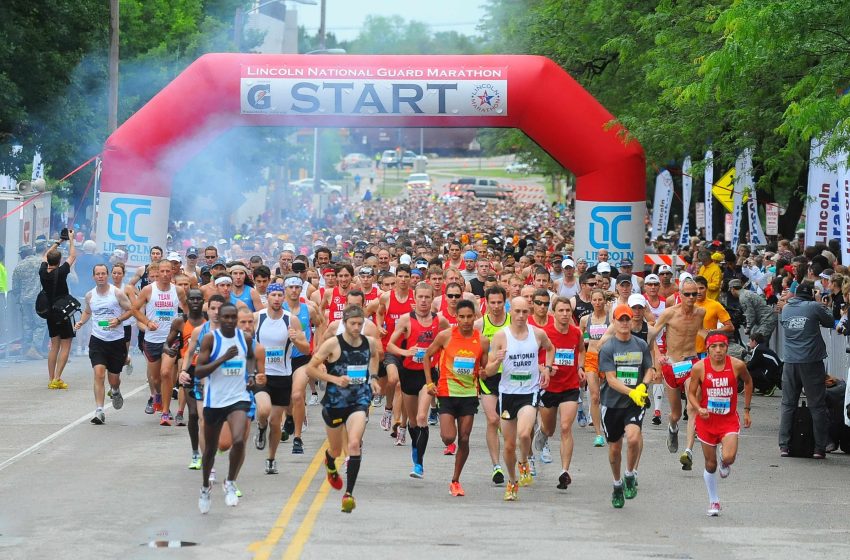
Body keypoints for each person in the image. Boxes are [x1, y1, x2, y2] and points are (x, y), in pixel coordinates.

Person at [306, 305, 381, 513]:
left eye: (360, 324)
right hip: (335, 402)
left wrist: (373, 378)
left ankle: (349, 494)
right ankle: (330, 462)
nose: (357, 328)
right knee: (337, 449)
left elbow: (376, 356)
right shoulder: (332, 344)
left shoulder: (370, 343)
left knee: (355, 443)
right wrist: (334, 379)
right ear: (345, 323)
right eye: (353, 324)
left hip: (359, 399)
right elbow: (310, 368)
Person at [193, 302, 264, 513]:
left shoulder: (245, 339)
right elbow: (199, 372)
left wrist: (251, 376)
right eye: (227, 317)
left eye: (234, 317)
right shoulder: (210, 339)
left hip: (238, 398)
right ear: (219, 318)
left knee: (239, 440)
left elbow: (250, 357)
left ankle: (230, 482)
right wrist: (223, 358)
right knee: (211, 451)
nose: (231, 321)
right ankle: (205, 487)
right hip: (215, 401)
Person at [483, 297, 554, 501]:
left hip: (529, 392)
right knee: (508, 446)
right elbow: (487, 371)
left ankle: (523, 461)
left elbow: (550, 349)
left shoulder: (537, 334)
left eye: (525, 311)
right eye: (517, 312)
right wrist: (497, 360)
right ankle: (512, 480)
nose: (521, 316)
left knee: (524, 434)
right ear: (510, 312)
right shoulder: (500, 336)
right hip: (507, 394)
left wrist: (547, 369)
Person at [423, 299, 488, 496]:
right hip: (447, 393)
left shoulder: (482, 340)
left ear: (475, 317)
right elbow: (427, 356)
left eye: (469, 316)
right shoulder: (445, 336)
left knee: (465, 438)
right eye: (462, 317)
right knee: (448, 436)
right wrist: (429, 383)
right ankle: (449, 443)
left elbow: (484, 367)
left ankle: (455, 480)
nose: (466, 320)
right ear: (456, 317)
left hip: (469, 394)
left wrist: (485, 373)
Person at [387, 282, 450, 478]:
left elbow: (451, 338)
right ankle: (416, 450)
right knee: (413, 422)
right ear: (415, 298)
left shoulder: (440, 321)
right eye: (420, 297)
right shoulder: (406, 319)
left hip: (428, 375)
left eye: (427, 297)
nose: (423, 301)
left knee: (422, 417)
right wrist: (406, 351)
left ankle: (419, 465)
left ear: (433, 299)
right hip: (408, 373)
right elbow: (390, 345)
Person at [687, 331, 752, 516]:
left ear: (727, 347)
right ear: (707, 349)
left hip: (728, 420)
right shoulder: (699, 368)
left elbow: (748, 382)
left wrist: (746, 410)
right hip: (707, 421)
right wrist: (698, 408)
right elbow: (691, 393)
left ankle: (726, 464)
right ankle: (714, 501)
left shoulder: (737, 365)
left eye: (722, 346)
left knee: (729, 457)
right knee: (710, 464)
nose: (718, 350)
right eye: (714, 347)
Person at [598, 304, 656, 508]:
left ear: (632, 322)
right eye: (620, 319)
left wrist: (643, 386)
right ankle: (616, 484)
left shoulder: (640, 344)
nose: (624, 323)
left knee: (633, 438)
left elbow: (650, 369)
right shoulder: (607, 348)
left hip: (634, 403)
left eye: (627, 319)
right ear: (613, 322)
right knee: (615, 448)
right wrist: (632, 391)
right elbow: (611, 379)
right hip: (612, 404)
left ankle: (630, 474)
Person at [647, 277, 707, 471]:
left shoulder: (700, 312)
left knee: (692, 407)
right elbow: (653, 335)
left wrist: (717, 340)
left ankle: (688, 451)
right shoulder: (669, 313)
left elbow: (701, 332)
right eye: (687, 294)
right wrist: (658, 356)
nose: (691, 297)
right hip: (672, 364)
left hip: (691, 363)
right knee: (676, 413)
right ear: (679, 295)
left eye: (694, 294)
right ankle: (672, 427)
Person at [253, 281, 309, 474]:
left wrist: (295, 339)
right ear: (267, 297)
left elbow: (306, 348)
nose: (276, 299)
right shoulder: (256, 318)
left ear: (283, 298)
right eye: (273, 295)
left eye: (279, 296)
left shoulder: (291, 320)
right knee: (264, 410)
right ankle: (261, 427)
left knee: (276, 422)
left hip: (282, 376)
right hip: (262, 375)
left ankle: (271, 458)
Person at [533, 296, 585, 490]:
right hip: (549, 387)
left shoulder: (576, 332)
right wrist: (543, 368)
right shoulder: (543, 334)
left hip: (570, 386)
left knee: (565, 427)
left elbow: (580, 351)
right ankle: (543, 432)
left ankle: (564, 471)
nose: (565, 314)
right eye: (561, 311)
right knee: (550, 428)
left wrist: (580, 367)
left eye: (567, 311)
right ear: (553, 313)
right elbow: (532, 358)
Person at [778, 281, 833, 459]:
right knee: (816, 405)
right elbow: (830, 320)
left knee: (788, 404)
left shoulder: (786, 309)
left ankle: (784, 445)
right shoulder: (813, 306)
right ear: (810, 294)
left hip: (790, 362)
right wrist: (819, 301)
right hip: (811, 361)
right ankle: (819, 447)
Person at [74, 264, 134, 424]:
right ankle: (99, 411)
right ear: (93, 277)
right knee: (99, 374)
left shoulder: (117, 293)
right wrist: (81, 322)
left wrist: (118, 319)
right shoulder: (90, 295)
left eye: (103, 274)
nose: (100, 276)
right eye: (97, 274)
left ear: (107, 276)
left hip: (116, 341)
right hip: (98, 340)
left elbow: (131, 310)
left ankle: (115, 390)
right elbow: (88, 311)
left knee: (113, 379)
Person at [133, 260, 188, 422]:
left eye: (168, 271)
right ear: (158, 272)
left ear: (172, 273)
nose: (165, 274)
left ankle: (165, 411)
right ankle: (157, 394)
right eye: (162, 271)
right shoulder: (148, 290)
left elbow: (187, 311)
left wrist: (187, 330)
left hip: (171, 339)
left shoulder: (178, 291)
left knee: (166, 373)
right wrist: (148, 322)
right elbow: (134, 309)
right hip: (152, 340)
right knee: (156, 379)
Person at [473, 285, 511, 485]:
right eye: (492, 303)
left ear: (505, 301)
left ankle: (526, 456)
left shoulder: (514, 322)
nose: (496, 306)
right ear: (486, 303)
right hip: (488, 377)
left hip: (511, 379)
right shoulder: (480, 324)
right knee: (493, 419)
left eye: (499, 302)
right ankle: (496, 466)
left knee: (511, 425)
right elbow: (471, 348)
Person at [39, 232, 77, 389]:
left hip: (50, 313)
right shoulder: (61, 272)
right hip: (62, 312)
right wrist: (71, 239)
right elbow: (73, 256)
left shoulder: (42, 271)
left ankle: (50, 378)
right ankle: (57, 377)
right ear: (60, 260)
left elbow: (44, 256)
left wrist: (59, 242)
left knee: (54, 345)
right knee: (66, 344)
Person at [12, 244, 46, 359]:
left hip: (24, 300)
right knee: (40, 324)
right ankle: (35, 349)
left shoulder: (19, 266)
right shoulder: (42, 262)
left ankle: (27, 349)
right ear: (32, 252)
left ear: (22, 255)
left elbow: (15, 287)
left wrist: (19, 299)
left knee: (27, 325)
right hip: (39, 299)